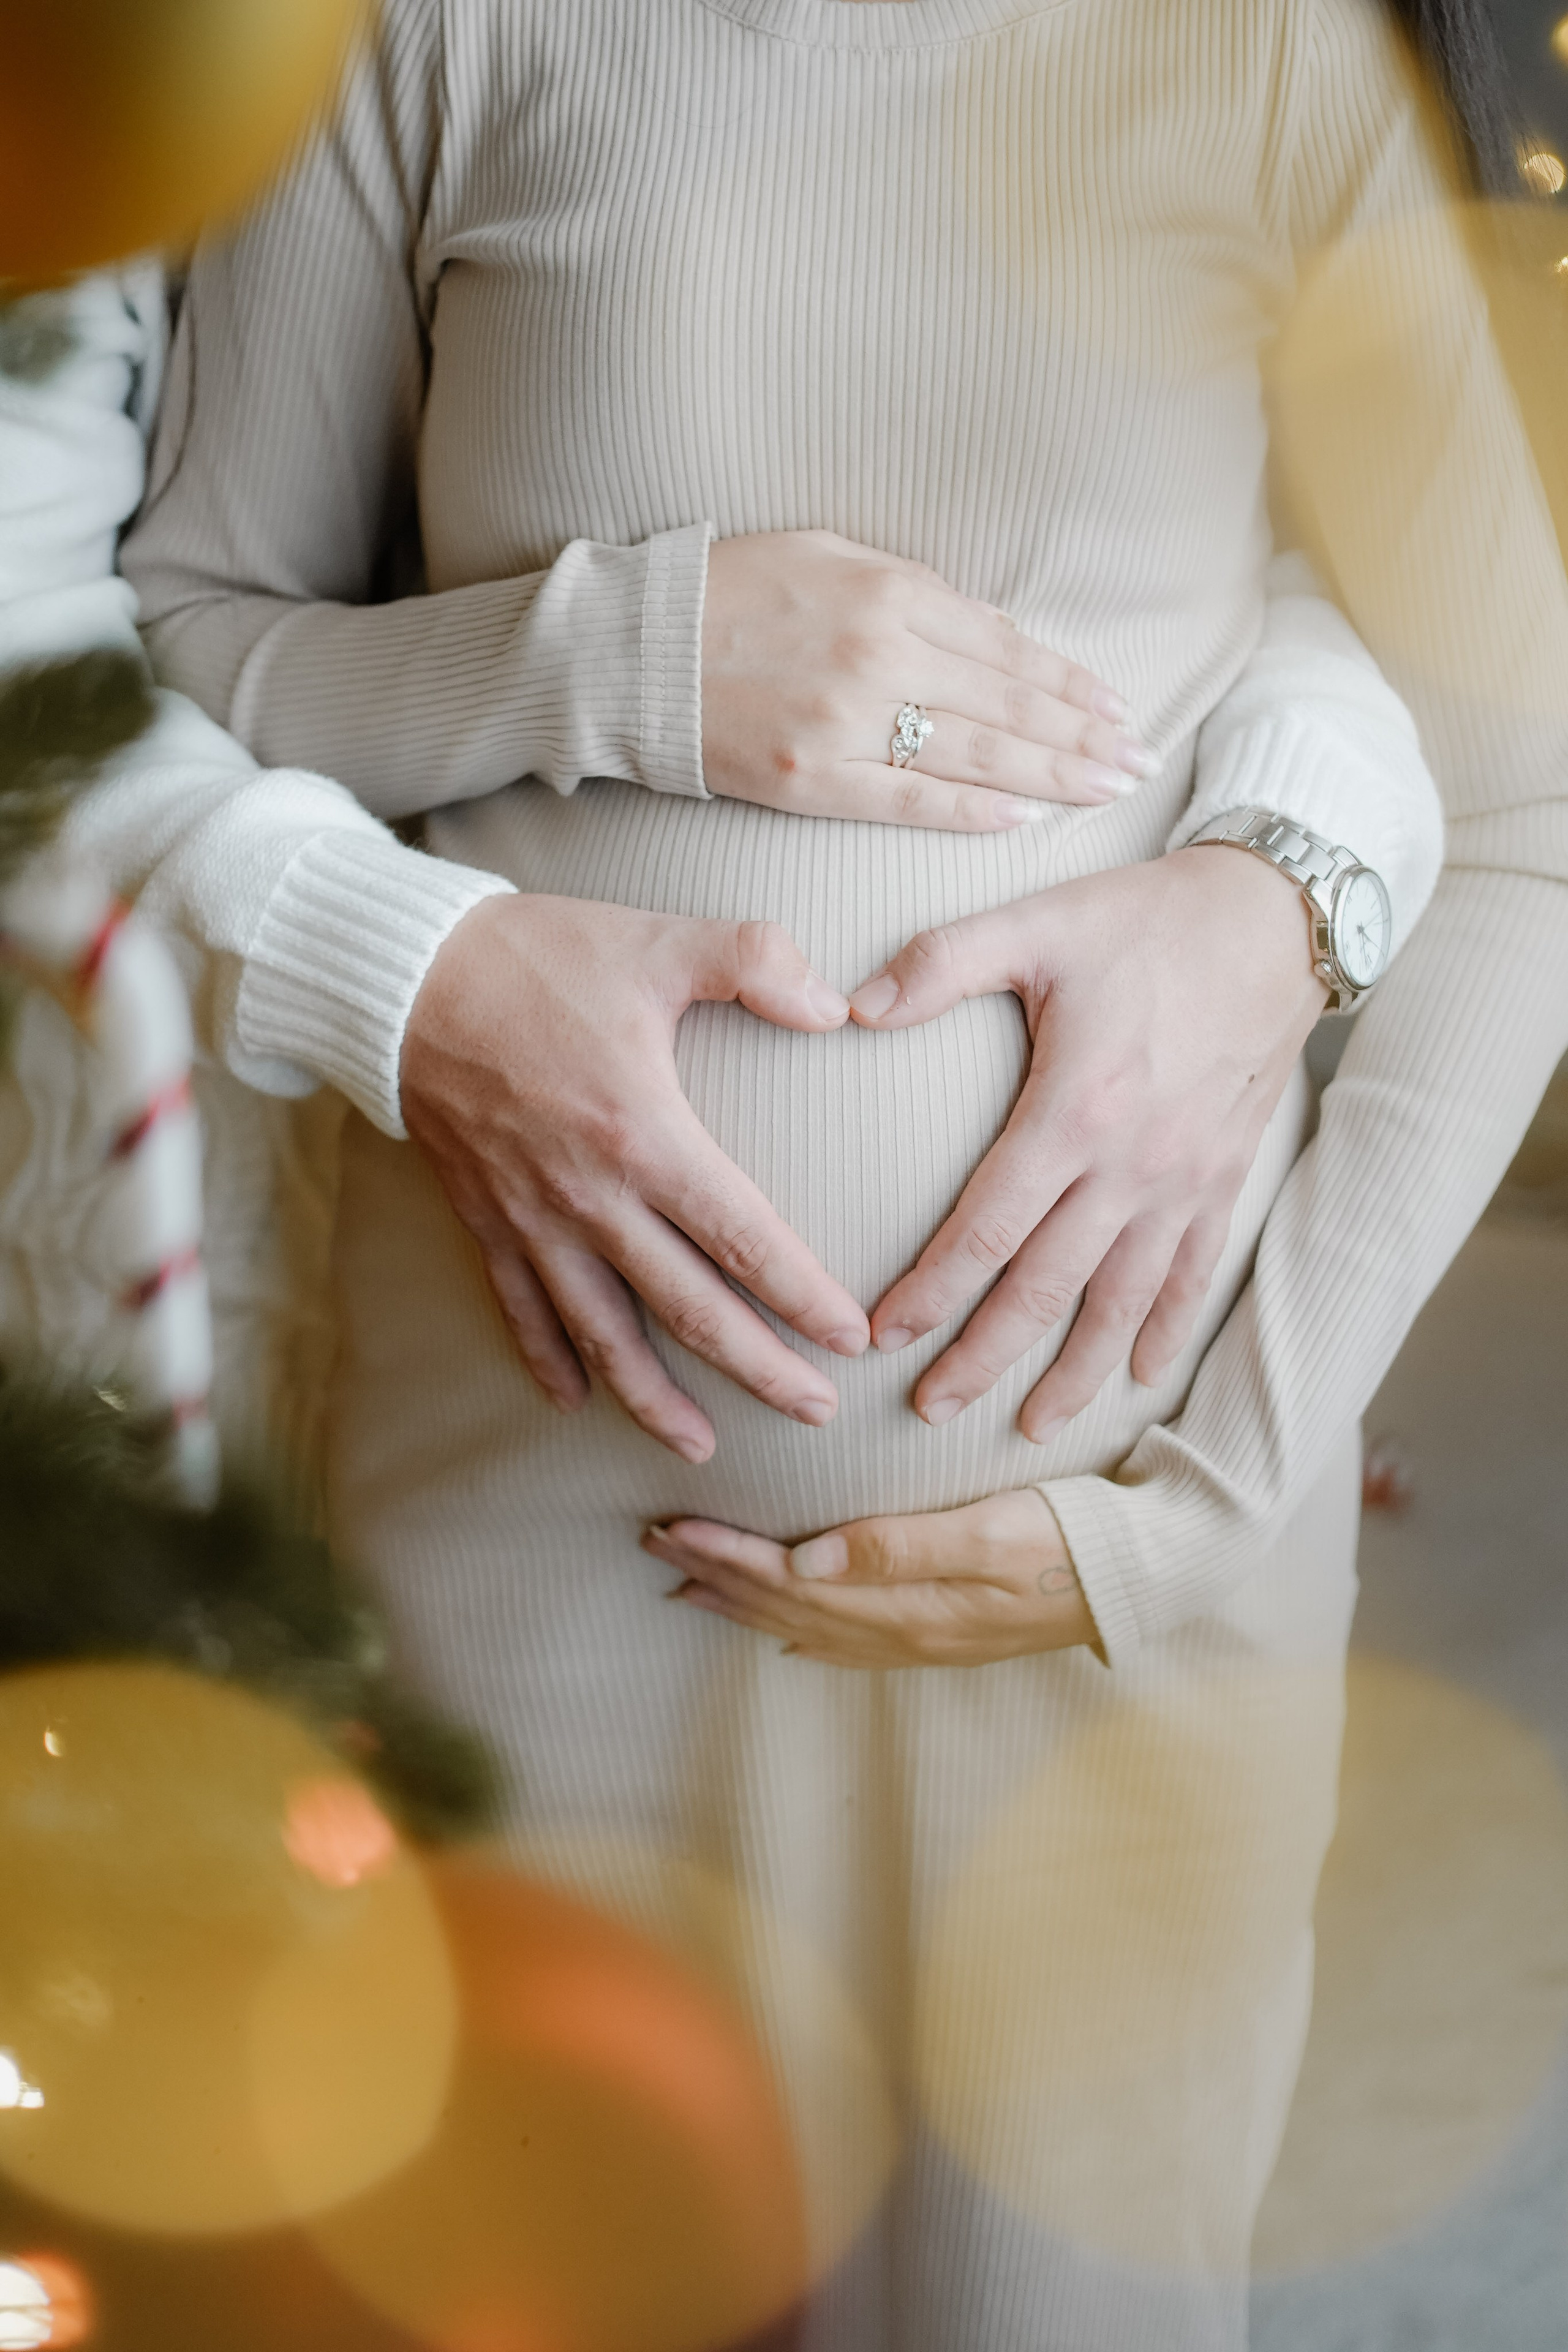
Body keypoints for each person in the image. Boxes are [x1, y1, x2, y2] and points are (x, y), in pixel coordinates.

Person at [115, 0, 1568, 2342]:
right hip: (515, 1549)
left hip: (1115, 1620)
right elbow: (181, 651)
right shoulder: (422, 32)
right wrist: (610, 654)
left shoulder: (1282, 54)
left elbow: (1526, 820)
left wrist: (1203, 1505)